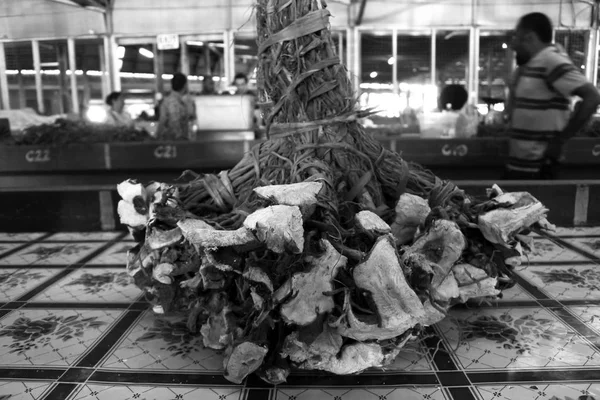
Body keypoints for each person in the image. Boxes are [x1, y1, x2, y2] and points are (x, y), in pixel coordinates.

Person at [505, 12, 600, 179]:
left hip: (537, 168)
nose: (513, 45)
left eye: (517, 38)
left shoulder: (551, 61)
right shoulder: (530, 66)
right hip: (520, 165)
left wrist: (560, 140)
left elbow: (592, 97)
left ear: (530, 37)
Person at [156, 73, 196, 140]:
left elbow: (162, 122)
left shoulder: (166, 101)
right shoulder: (178, 103)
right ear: (185, 85)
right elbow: (175, 123)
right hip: (177, 144)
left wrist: (158, 139)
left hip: (168, 143)